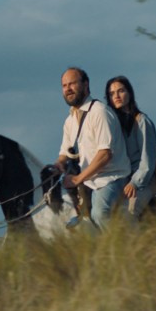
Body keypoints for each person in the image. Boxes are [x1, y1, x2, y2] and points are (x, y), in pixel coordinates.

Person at [55, 67, 130, 229]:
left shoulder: (99, 112)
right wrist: (57, 166)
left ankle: (121, 244)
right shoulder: (69, 121)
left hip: (110, 178)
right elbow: (64, 154)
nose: (68, 89)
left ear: (85, 84)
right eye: (64, 85)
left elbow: (105, 155)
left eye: (72, 83)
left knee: (100, 213)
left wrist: (77, 179)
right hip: (87, 181)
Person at [106, 75, 156, 220]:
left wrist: (135, 183)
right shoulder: (114, 126)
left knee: (126, 214)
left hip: (144, 180)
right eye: (111, 93)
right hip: (123, 179)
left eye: (121, 91)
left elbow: (147, 161)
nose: (116, 96)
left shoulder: (142, 121)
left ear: (129, 93)